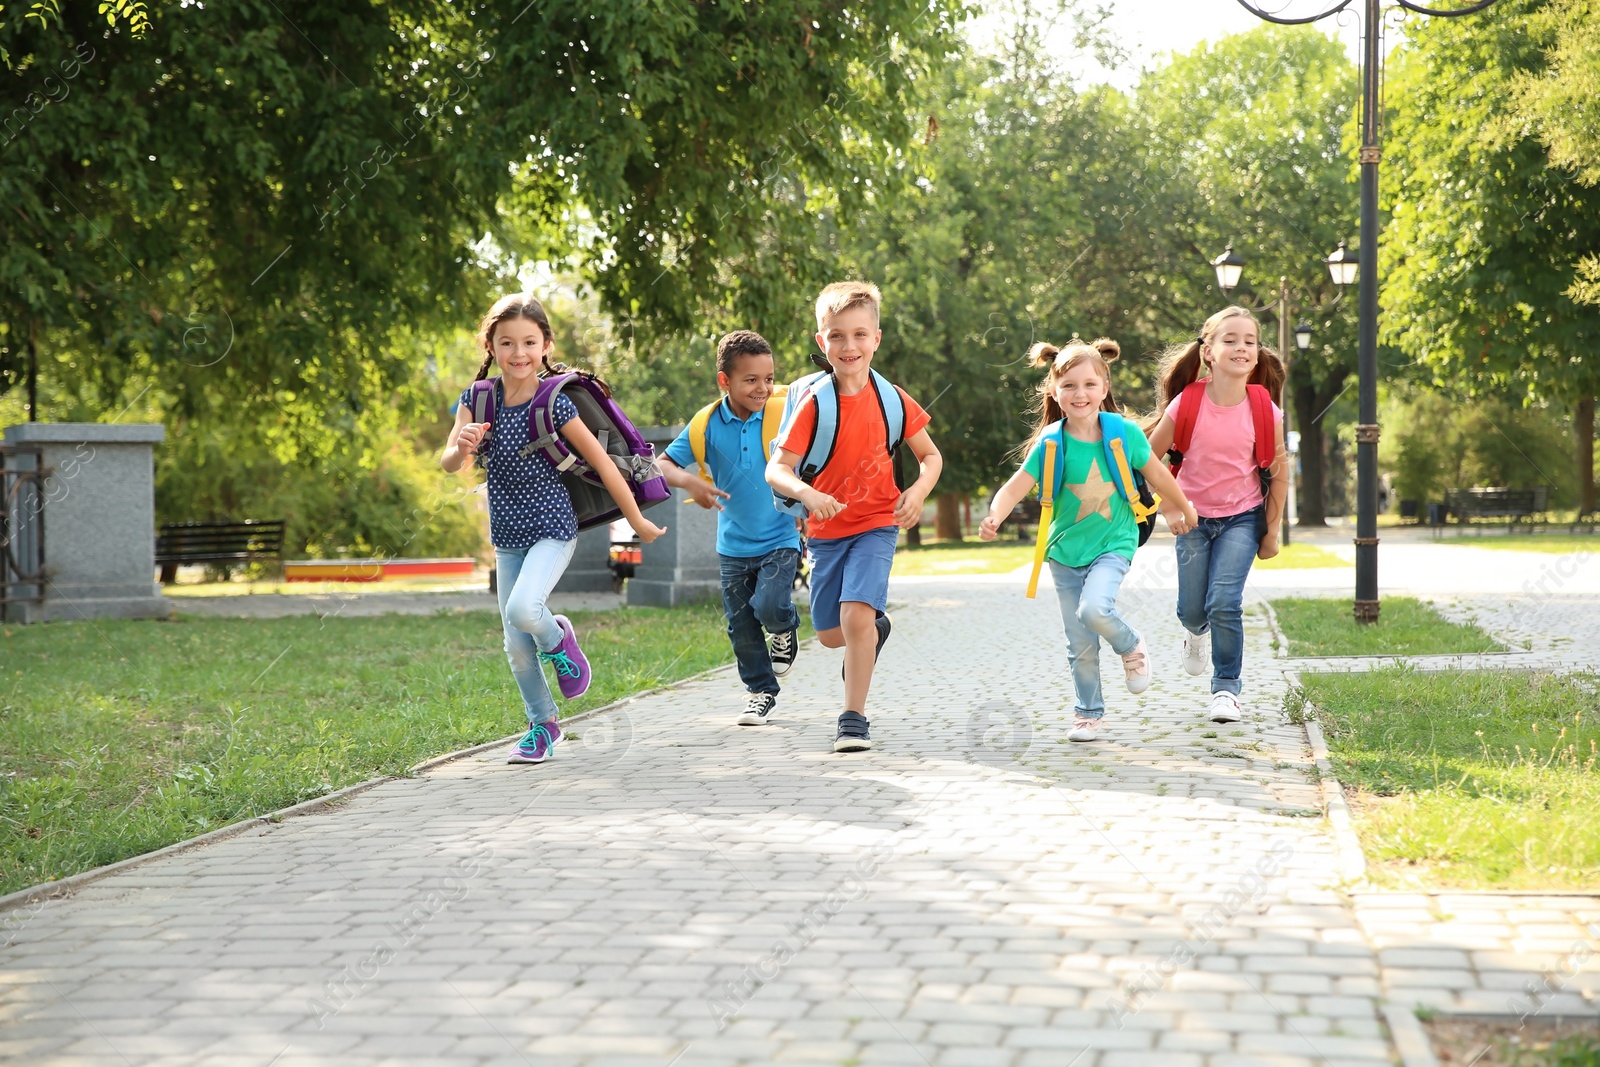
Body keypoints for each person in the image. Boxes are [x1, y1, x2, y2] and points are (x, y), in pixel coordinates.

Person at [441, 293, 666, 765]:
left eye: (528, 342)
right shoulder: (476, 401)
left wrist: (638, 519)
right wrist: (460, 446)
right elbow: (447, 464)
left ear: (546, 345)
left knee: (525, 609)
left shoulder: (556, 405)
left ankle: (560, 638)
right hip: (507, 535)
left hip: (552, 528)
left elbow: (605, 465)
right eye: (507, 343)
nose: (518, 353)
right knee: (514, 643)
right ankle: (542, 726)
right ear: (491, 345)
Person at [979, 337, 1196, 742]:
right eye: (1069, 385)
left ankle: (1131, 644)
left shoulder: (1123, 434)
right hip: (1063, 552)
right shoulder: (1050, 442)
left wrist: (1184, 504)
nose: (1080, 394)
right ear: (1054, 391)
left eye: (1089, 384)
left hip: (1114, 543)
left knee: (1093, 610)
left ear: (1105, 386)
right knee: (1079, 643)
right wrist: (994, 516)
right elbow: (1013, 488)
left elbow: (1159, 474)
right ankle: (1088, 714)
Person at [766, 281, 942, 753]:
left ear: (876, 338)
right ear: (821, 341)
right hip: (825, 532)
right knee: (829, 636)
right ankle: (872, 631)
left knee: (855, 613)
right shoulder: (814, 402)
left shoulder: (893, 399)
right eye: (837, 336)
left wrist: (919, 491)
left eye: (860, 335)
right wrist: (808, 494)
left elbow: (931, 458)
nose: (849, 346)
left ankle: (853, 719)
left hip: (877, 523)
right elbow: (777, 469)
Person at [1145, 306, 1289, 725]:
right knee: (1193, 610)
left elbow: (1278, 478)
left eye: (1250, 341)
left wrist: (1272, 533)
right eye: (1230, 340)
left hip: (1242, 518)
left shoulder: (1267, 411)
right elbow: (1147, 460)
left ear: (1258, 355)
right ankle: (1195, 633)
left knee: (1225, 602)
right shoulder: (1185, 404)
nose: (1241, 347)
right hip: (1192, 518)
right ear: (1208, 351)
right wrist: (1171, 506)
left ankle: (1226, 688)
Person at [658, 330, 803, 727]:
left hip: (781, 537)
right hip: (733, 547)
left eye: (769, 378)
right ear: (725, 380)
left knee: (771, 606)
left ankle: (786, 628)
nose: (763, 388)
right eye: (751, 380)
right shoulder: (705, 423)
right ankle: (760, 692)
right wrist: (691, 483)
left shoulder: (784, 413)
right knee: (741, 628)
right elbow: (663, 464)